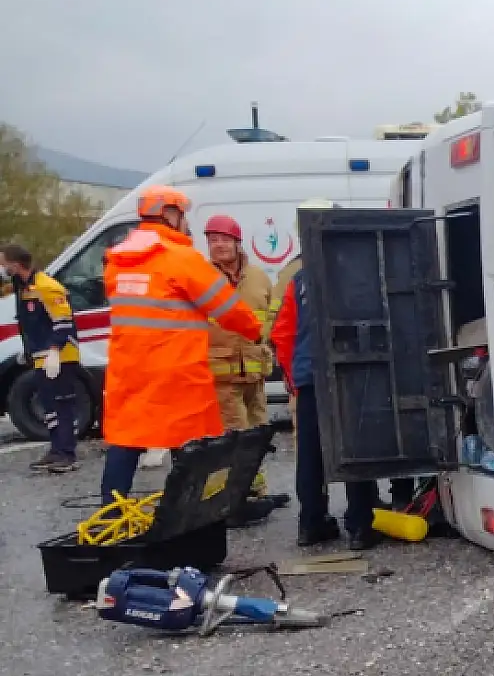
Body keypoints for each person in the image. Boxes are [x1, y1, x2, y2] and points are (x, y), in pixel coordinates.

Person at [98, 186, 262, 501]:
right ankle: (185, 511)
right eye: (183, 215)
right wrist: (254, 331)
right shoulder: (181, 258)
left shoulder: (117, 259)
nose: (186, 223)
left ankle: (109, 513)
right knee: (188, 442)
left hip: (128, 369)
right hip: (176, 370)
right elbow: (227, 307)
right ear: (170, 215)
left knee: (126, 438)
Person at [269, 203, 382, 550]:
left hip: (310, 378)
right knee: (356, 449)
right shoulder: (359, 273)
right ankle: (361, 526)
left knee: (311, 456)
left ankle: (311, 523)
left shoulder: (298, 281)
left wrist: (295, 376)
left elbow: (282, 335)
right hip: (350, 373)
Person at [203, 214, 277, 496]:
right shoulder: (203, 277)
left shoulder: (258, 277)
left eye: (223, 239)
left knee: (258, 432)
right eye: (212, 240)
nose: (218, 245)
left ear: (237, 242)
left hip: (255, 371)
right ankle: (233, 494)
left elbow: (270, 314)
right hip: (221, 373)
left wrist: (263, 344)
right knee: (235, 434)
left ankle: (255, 489)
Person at [0, 244, 81, 472]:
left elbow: (63, 322)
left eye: (4, 263)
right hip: (42, 357)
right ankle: (57, 450)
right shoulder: (24, 287)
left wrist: (55, 350)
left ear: (15, 264)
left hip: (60, 356)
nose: (2, 268)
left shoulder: (47, 287)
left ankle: (67, 454)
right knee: (50, 406)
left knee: (62, 404)